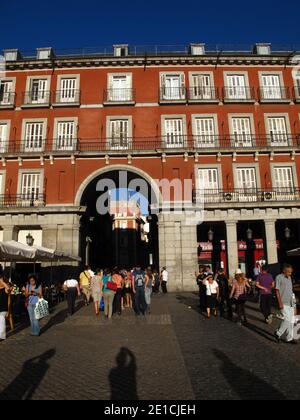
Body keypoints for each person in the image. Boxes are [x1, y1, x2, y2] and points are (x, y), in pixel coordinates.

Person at [275, 264, 297, 345]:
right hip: (283, 302)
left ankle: (289, 338)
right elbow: (277, 290)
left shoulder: (289, 278)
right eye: (288, 272)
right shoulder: (279, 277)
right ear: (284, 270)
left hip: (290, 302)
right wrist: (279, 302)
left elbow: (291, 291)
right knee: (287, 319)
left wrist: (294, 304)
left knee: (291, 321)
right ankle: (278, 333)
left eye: (291, 272)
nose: (290, 274)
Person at [0, 277, 11, 341]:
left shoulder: (5, 289)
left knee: (1, 320)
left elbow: (8, 288)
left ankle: (2, 336)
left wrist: (3, 282)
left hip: (3, 309)